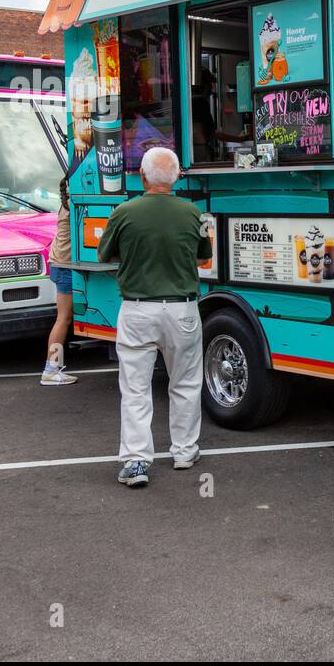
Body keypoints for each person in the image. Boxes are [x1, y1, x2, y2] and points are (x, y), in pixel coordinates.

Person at [97, 147, 212, 488]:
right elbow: (203, 259)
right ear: (176, 177)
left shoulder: (123, 212)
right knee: (186, 383)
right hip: (183, 309)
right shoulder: (195, 214)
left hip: (137, 309)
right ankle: (184, 451)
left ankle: (136, 461)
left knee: (135, 388)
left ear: (143, 177)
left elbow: (105, 254)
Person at [41, 176, 77, 386]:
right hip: (64, 265)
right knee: (63, 319)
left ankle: (53, 369)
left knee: (64, 318)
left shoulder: (67, 203)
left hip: (59, 263)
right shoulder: (74, 205)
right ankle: (51, 369)